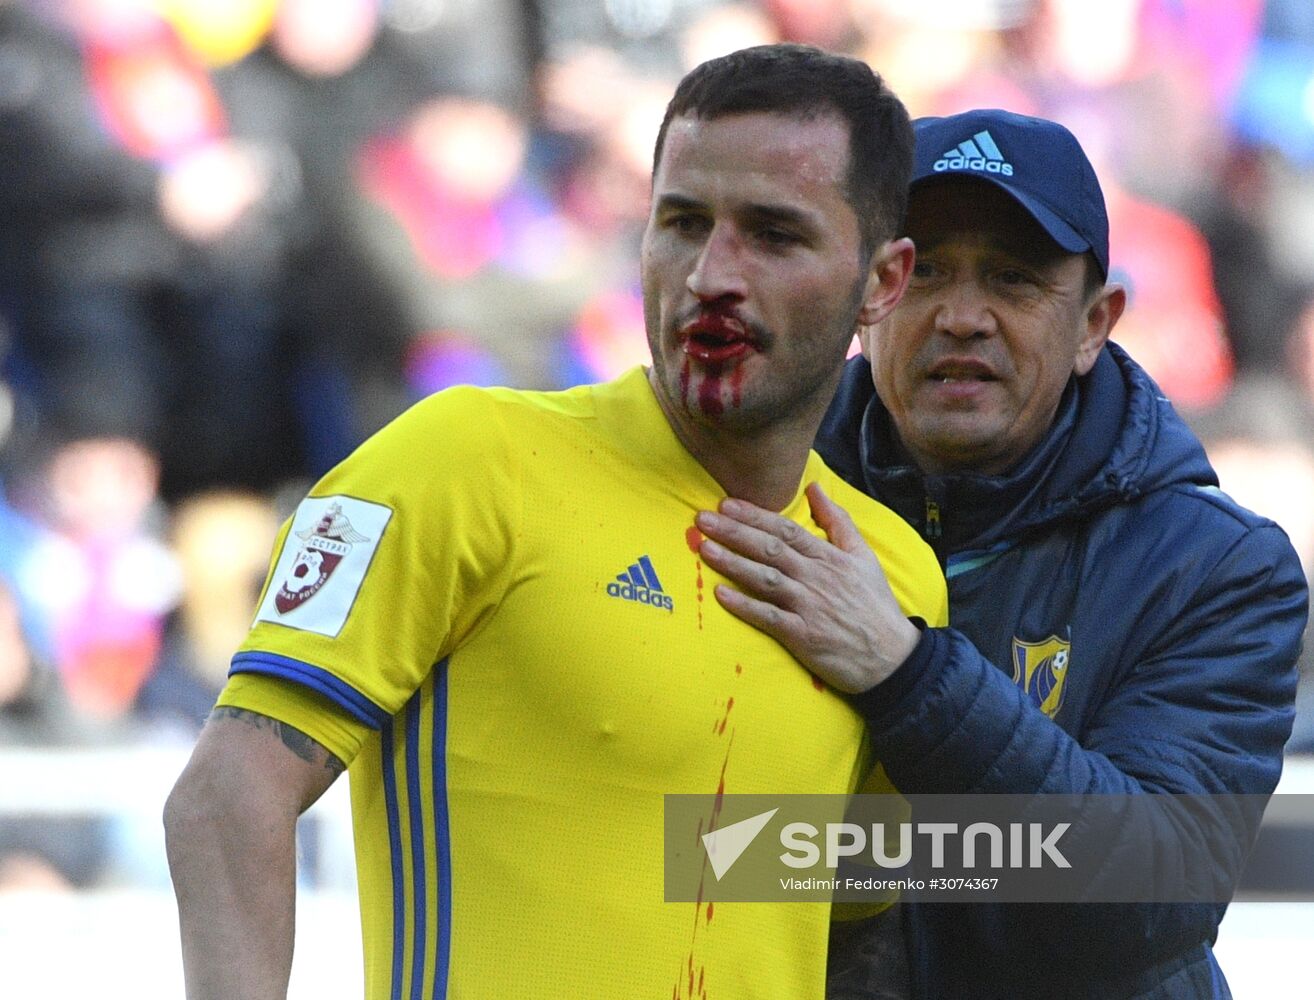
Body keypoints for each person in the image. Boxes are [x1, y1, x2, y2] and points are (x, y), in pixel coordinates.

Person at [162, 44, 949, 1000]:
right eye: (682, 223)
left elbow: (829, 904)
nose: (712, 275)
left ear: (883, 280)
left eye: (775, 235)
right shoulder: (465, 459)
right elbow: (225, 800)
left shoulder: (893, 577)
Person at [692, 108, 1309, 998]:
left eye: (1015, 280)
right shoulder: (739, 500)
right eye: (924, 270)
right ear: (867, 298)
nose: (962, 317)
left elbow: (1144, 892)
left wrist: (904, 675)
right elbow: (675, 846)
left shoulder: (1215, 568)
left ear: (1096, 323)